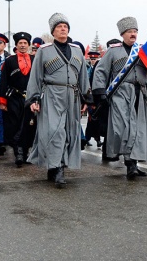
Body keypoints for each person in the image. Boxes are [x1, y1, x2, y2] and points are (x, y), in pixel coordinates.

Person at [26, 13, 90, 188]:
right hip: (52, 94)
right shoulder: (44, 51)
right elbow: (36, 76)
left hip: (72, 96)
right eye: (59, 26)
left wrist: (86, 97)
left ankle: (55, 166)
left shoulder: (77, 51)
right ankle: (58, 167)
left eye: (65, 26)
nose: (63, 29)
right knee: (54, 131)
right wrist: (33, 98)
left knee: (69, 132)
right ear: (53, 31)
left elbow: (83, 75)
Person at [92, 17, 147, 179]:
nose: (133, 34)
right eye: (129, 31)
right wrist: (100, 91)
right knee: (123, 128)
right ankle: (129, 161)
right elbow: (101, 70)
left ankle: (132, 163)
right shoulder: (113, 51)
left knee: (138, 129)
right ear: (122, 34)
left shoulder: (142, 51)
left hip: (139, 93)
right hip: (120, 93)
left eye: (135, 31)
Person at [0, 32, 35, 167]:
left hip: (30, 98)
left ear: (29, 45)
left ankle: (25, 153)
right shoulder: (9, 61)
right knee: (15, 124)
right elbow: (3, 81)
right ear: (16, 45)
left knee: (28, 125)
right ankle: (18, 153)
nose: (23, 45)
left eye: (25, 43)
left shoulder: (35, 59)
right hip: (14, 97)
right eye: (20, 43)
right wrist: (2, 101)